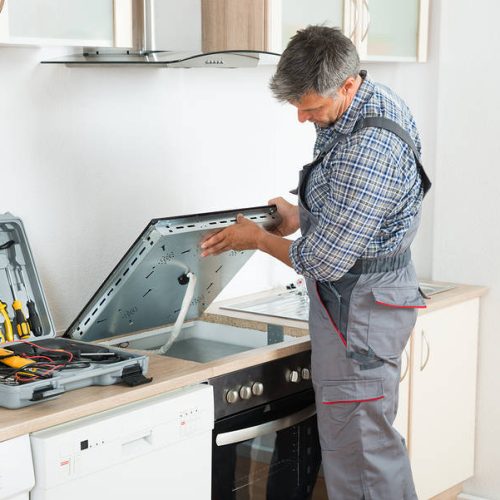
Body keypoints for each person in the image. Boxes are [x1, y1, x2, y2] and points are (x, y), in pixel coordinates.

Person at [201, 25, 431, 500]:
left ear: (348, 83)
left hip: (359, 311)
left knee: (362, 458)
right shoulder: (369, 102)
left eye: (310, 107)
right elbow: (356, 212)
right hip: (368, 302)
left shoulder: (368, 147)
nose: (302, 118)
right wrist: (299, 216)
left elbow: (324, 261)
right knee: (371, 448)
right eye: (295, 106)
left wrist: (258, 240)